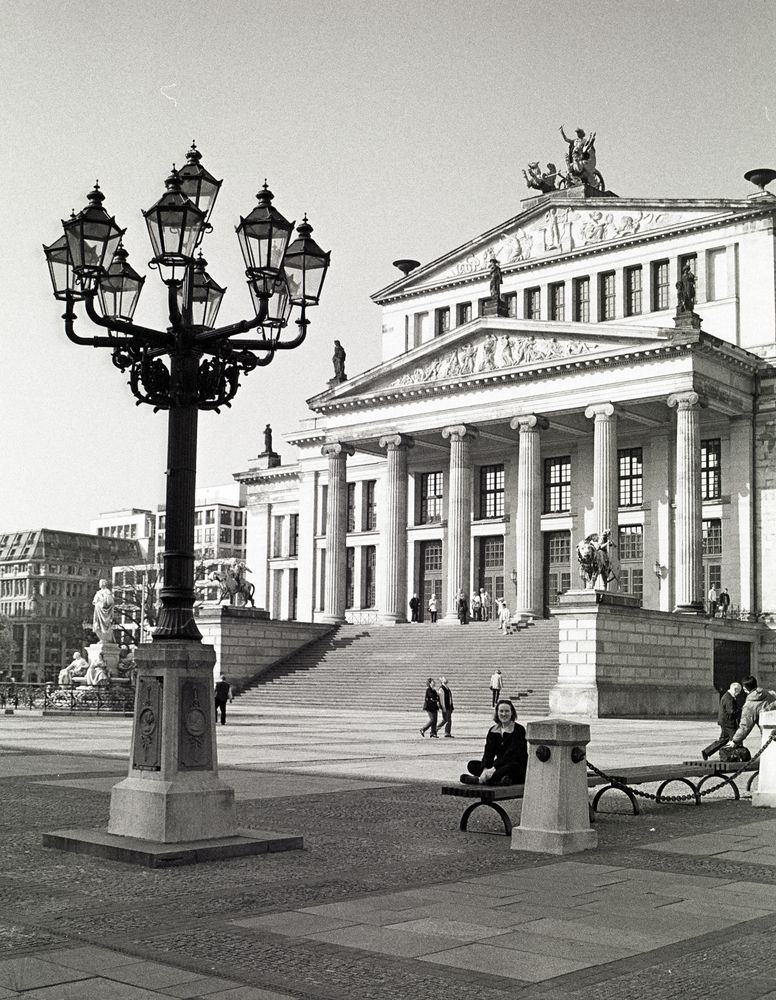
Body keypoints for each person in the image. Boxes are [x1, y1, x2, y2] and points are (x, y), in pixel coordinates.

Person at [459, 699, 528, 786]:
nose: (504, 714)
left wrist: (493, 768)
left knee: (511, 767)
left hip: (516, 766)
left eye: (507, 711)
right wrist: (485, 768)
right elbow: (488, 753)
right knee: (472, 765)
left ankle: (480, 780)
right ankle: (498, 780)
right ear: (497, 713)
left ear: (512, 713)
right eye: (501, 711)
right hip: (499, 766)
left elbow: (512, 754)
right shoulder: (493, 730)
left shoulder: (519, 730)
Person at [727, 676, 776, 750]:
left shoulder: (749, 705)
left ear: (744, 689)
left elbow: (745, 726)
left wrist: (735, 740)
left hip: (769, 734)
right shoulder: (770, 693)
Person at [701, 681, 743, 760]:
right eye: (738, 691)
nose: (739, 694)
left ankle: (707, 752)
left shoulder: (727, 696)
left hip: (725, 722)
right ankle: (740, 756)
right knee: (737, 739)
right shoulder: (729, 698)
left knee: (723, 740)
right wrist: (740, 710)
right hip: (729, 723)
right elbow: (731, 712)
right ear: (735, 689)